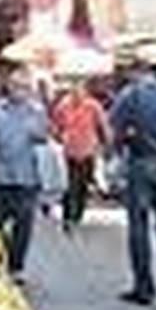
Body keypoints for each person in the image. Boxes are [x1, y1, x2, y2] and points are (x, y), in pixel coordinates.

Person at [110, 63, 156, 306]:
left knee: (139, 227)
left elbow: (117, 131)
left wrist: (119, 153)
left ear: (135, 71)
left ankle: (144, 288)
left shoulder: (130, 94)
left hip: (141, 164)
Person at [0, 67, 49, 284]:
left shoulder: (37, 111)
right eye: (16, 86)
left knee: (23, 224)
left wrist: (38, 132)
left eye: (24, 88)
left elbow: (45, 136)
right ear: (8, 87)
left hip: (27, 177)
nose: (20, 91)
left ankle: (16, 267)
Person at [52, 80, 110, 233]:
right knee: (70, 185)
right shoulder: (63, 106)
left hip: (88, 151)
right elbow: (56, 127)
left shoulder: (93, 106)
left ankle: (77, 214)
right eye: (74, 91)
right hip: (69, 151)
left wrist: (106, 142)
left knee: (83, 184)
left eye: (80, 91)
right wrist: (59, 138)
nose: (77, 94)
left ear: (85, 92)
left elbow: (102, 125)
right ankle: (68, 217)